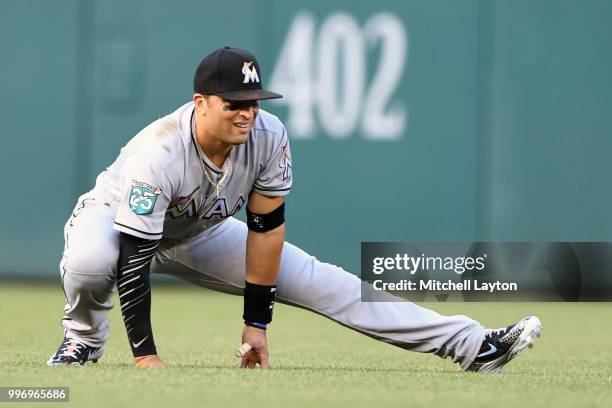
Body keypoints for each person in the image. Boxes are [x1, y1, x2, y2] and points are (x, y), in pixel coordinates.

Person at [47, 46, 541, 372]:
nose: (247, 112)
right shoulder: (156, 152)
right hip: (118, 222)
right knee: (92, 264)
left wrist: (256, 323)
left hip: (200, 231)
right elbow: (135, 258)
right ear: (200, 102)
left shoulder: (268, 136)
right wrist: (145, 356)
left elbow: (265, 230)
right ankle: (84, 339)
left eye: (254, 100)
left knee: (328, 283)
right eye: (233, 102)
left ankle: (475, 346)